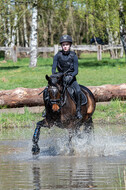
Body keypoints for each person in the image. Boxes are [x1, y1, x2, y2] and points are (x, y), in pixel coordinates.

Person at [51, 34, 82, 119]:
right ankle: (47, 110)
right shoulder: (57, 56)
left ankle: (78, 111)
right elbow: (53, 69)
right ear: (61, 46)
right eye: (63, 45)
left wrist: (71, 76)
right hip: (60, 78)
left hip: (71, 79)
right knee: (49, 91)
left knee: (78, 91)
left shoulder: (74, 56)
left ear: (70, 45)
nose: (65, 47)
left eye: (67, 45)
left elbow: (76, 71)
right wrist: (55, 76)